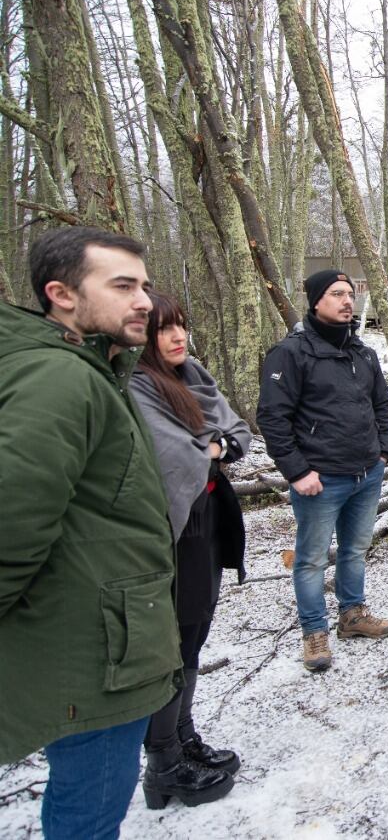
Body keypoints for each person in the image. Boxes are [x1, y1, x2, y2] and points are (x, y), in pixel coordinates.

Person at [0, 227, 180, 839]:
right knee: (90, 813)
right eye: (123, 286)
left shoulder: (92, 370)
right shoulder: (61, 379)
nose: (145, 303)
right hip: (92, 654)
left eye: (145, 287)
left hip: (101, 636)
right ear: (62, 294)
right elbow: (13, 517)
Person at [131, 291, 249, 809]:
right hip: (175, 529)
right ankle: (163, 762)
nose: (178, 337)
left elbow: (238, 430)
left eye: (181, 326)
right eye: (164, 329)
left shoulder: (192, 376)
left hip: (211, 518)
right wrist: (214, 446)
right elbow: (177, 456)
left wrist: (218, 445)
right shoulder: (139, 386)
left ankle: (184, 737)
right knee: (175, 639)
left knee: (195, 631)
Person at [257, 269, 388, 673]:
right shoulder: (290, 353)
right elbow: (272, 417)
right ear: (316, 300)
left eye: (350, 293)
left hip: (365, 473)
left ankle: (352, 615)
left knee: (355, 551)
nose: (347, 300)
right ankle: (314, 632)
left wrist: (384, 452)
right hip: (320, 479)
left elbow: (381, 405)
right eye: (337, 293)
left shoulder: (363, 352)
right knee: (311, 560)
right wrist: (297, 471)